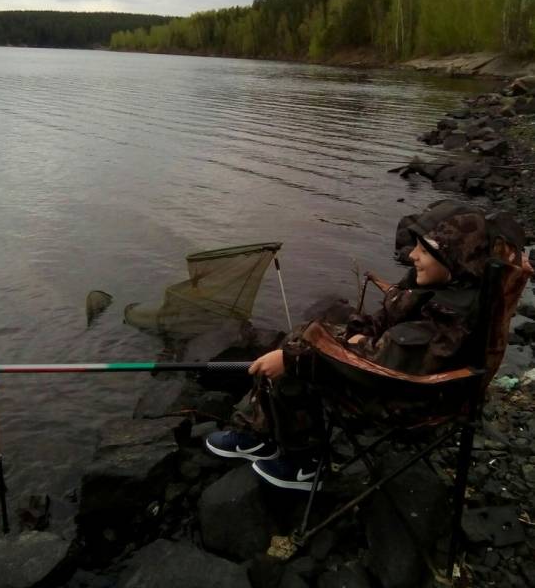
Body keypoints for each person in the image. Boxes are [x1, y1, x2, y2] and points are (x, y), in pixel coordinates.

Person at [205, 201, 526, 491]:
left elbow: (392, 364)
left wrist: (298, 360)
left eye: (424, 251)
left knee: (298, 363)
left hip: (417, 398)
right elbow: (383, 320)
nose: (412, 255)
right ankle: (259, 433)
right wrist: (354, 336)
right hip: (389, 371)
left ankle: (305, 464)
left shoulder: (454, 318)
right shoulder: (433, 283)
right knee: (302, 339)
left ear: (455, 259)